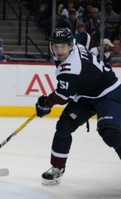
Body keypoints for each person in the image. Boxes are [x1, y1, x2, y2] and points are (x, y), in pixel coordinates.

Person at [35, 27, 121, 186]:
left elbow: (61, 97)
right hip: (85, 96)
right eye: (56, 47)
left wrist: (45, 104)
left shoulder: (70, 69)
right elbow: (86, 36)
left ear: (71, 46)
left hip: (108, 93)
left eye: (63, 47)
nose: (59, 51)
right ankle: (57, 168)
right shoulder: (78, 43)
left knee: (110, 132)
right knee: (63, 127)